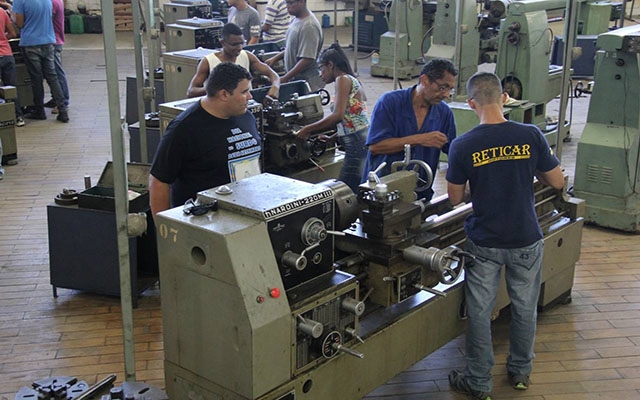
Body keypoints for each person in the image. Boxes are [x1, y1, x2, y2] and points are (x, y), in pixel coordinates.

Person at [446, 72, 564, 400]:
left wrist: (480, 180)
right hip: (525, 237)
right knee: (525, 308)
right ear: (505, 98)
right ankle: (521, 372)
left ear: (471, 104)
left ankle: (479, 382)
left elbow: (455, 198)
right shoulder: (530, 135)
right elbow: (556, 181)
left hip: (484, 242)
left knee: (480, 312)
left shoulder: (463, 144)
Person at [150, 63, 261, 216]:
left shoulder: (246, 117)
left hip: (247, 211)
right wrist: (165, 232)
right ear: (224, 94)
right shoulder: (184, 128)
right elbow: (159, 181)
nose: (250, 97)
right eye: (244, 92)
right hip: (205, 221)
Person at [362, 58, 457, 201]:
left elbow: (453, 150)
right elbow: (376, 146)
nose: (446, 95)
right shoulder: (390, 103)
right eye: (443, 87)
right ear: (424, 80)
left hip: (420, 194)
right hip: (381, 193)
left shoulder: (444, 113)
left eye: (451, 89)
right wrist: (420, 139)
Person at [296, 43, 368, 192]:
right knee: (353, 188)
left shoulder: (342, 80)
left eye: (321, 68)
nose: (320, 74)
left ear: (330, 65)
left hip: (356, 145)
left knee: (343, 192)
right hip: (360, 140)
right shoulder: (352, 80)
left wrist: (307, 129)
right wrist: (332, 138)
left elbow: (338, 116)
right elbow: (353, 120)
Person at [186, 23, 279, 99]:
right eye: (234, 44)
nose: (239, 48)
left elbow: (273, 75)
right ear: (222, 43)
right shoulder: (208, 62)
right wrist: (214, 88)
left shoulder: (247, 56)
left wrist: (275, 86)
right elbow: (191, 92)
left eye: (241, 43)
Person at [13, 0, 68, 122]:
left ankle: (39, 110)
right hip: (48, 40)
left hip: (30, 42)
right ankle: (63, 110)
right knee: (52, 77)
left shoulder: (20, 1)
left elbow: (20, 23)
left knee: (36, 79)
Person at [265, 0, 324, 92]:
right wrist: (275, 58)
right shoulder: (296, 19)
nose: (288, 6)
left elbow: (307, 59)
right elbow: (293, 48)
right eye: (286, 3)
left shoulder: (309, 26)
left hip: (307, 83)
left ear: (302, 2)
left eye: (291, 3)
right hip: (296, 79)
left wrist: (286, 77)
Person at [44, 0, 70, 114]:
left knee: (56, 73)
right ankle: (56, 98)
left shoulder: (53, 2)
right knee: (52, 72)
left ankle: (63, 101)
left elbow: (45, 20)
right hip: (54, 39)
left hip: (53, 41)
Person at [0, 6, 24, 127]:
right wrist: (3, 38)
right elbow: (13, 33)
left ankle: (3, 119)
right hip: (7, 55)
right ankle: (18, 116)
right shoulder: (2, 12)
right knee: (11, 88)